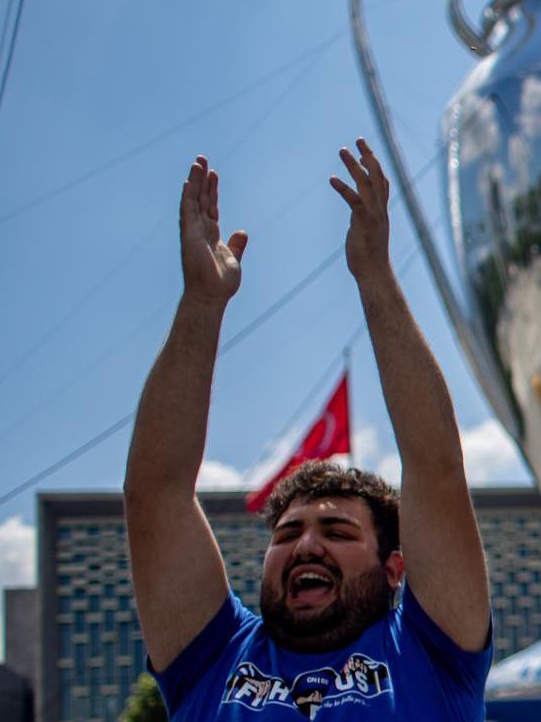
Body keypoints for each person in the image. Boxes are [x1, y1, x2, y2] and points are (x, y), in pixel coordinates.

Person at [127, 144, 493, 719]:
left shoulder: (431, 653)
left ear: (396, 567)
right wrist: (201, 303)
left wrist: (373, 275)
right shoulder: (214, 658)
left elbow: (435, 466)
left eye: (339, 532)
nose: (305, 545)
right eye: (287, 532)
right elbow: (156, 496)